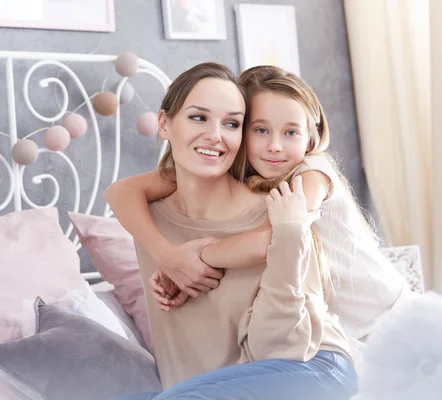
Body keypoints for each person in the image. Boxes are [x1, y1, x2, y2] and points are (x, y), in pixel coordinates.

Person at [106, 65, 410, 345]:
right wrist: (167, 255)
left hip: (390, 316)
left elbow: (274, 238)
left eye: (290, 132)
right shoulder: (234, 170)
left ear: (310, 137)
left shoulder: (312, 172)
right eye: (260, 130)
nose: (275, 145)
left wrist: (195, 257)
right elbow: (121, 191)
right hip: (349, 334)